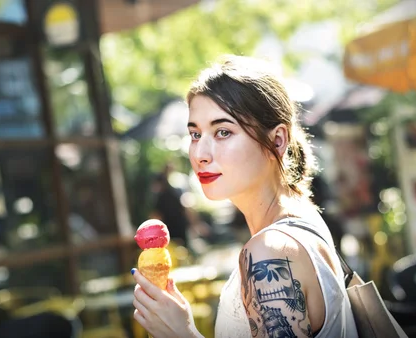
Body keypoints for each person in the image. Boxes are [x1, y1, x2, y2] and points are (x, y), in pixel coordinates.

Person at [131, 55, 358, 338]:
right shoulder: (303, 218)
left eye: (223, 132)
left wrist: (183, 334)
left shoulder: (269, 252)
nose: (201, 154)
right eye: (195, 134)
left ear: (277, 140)